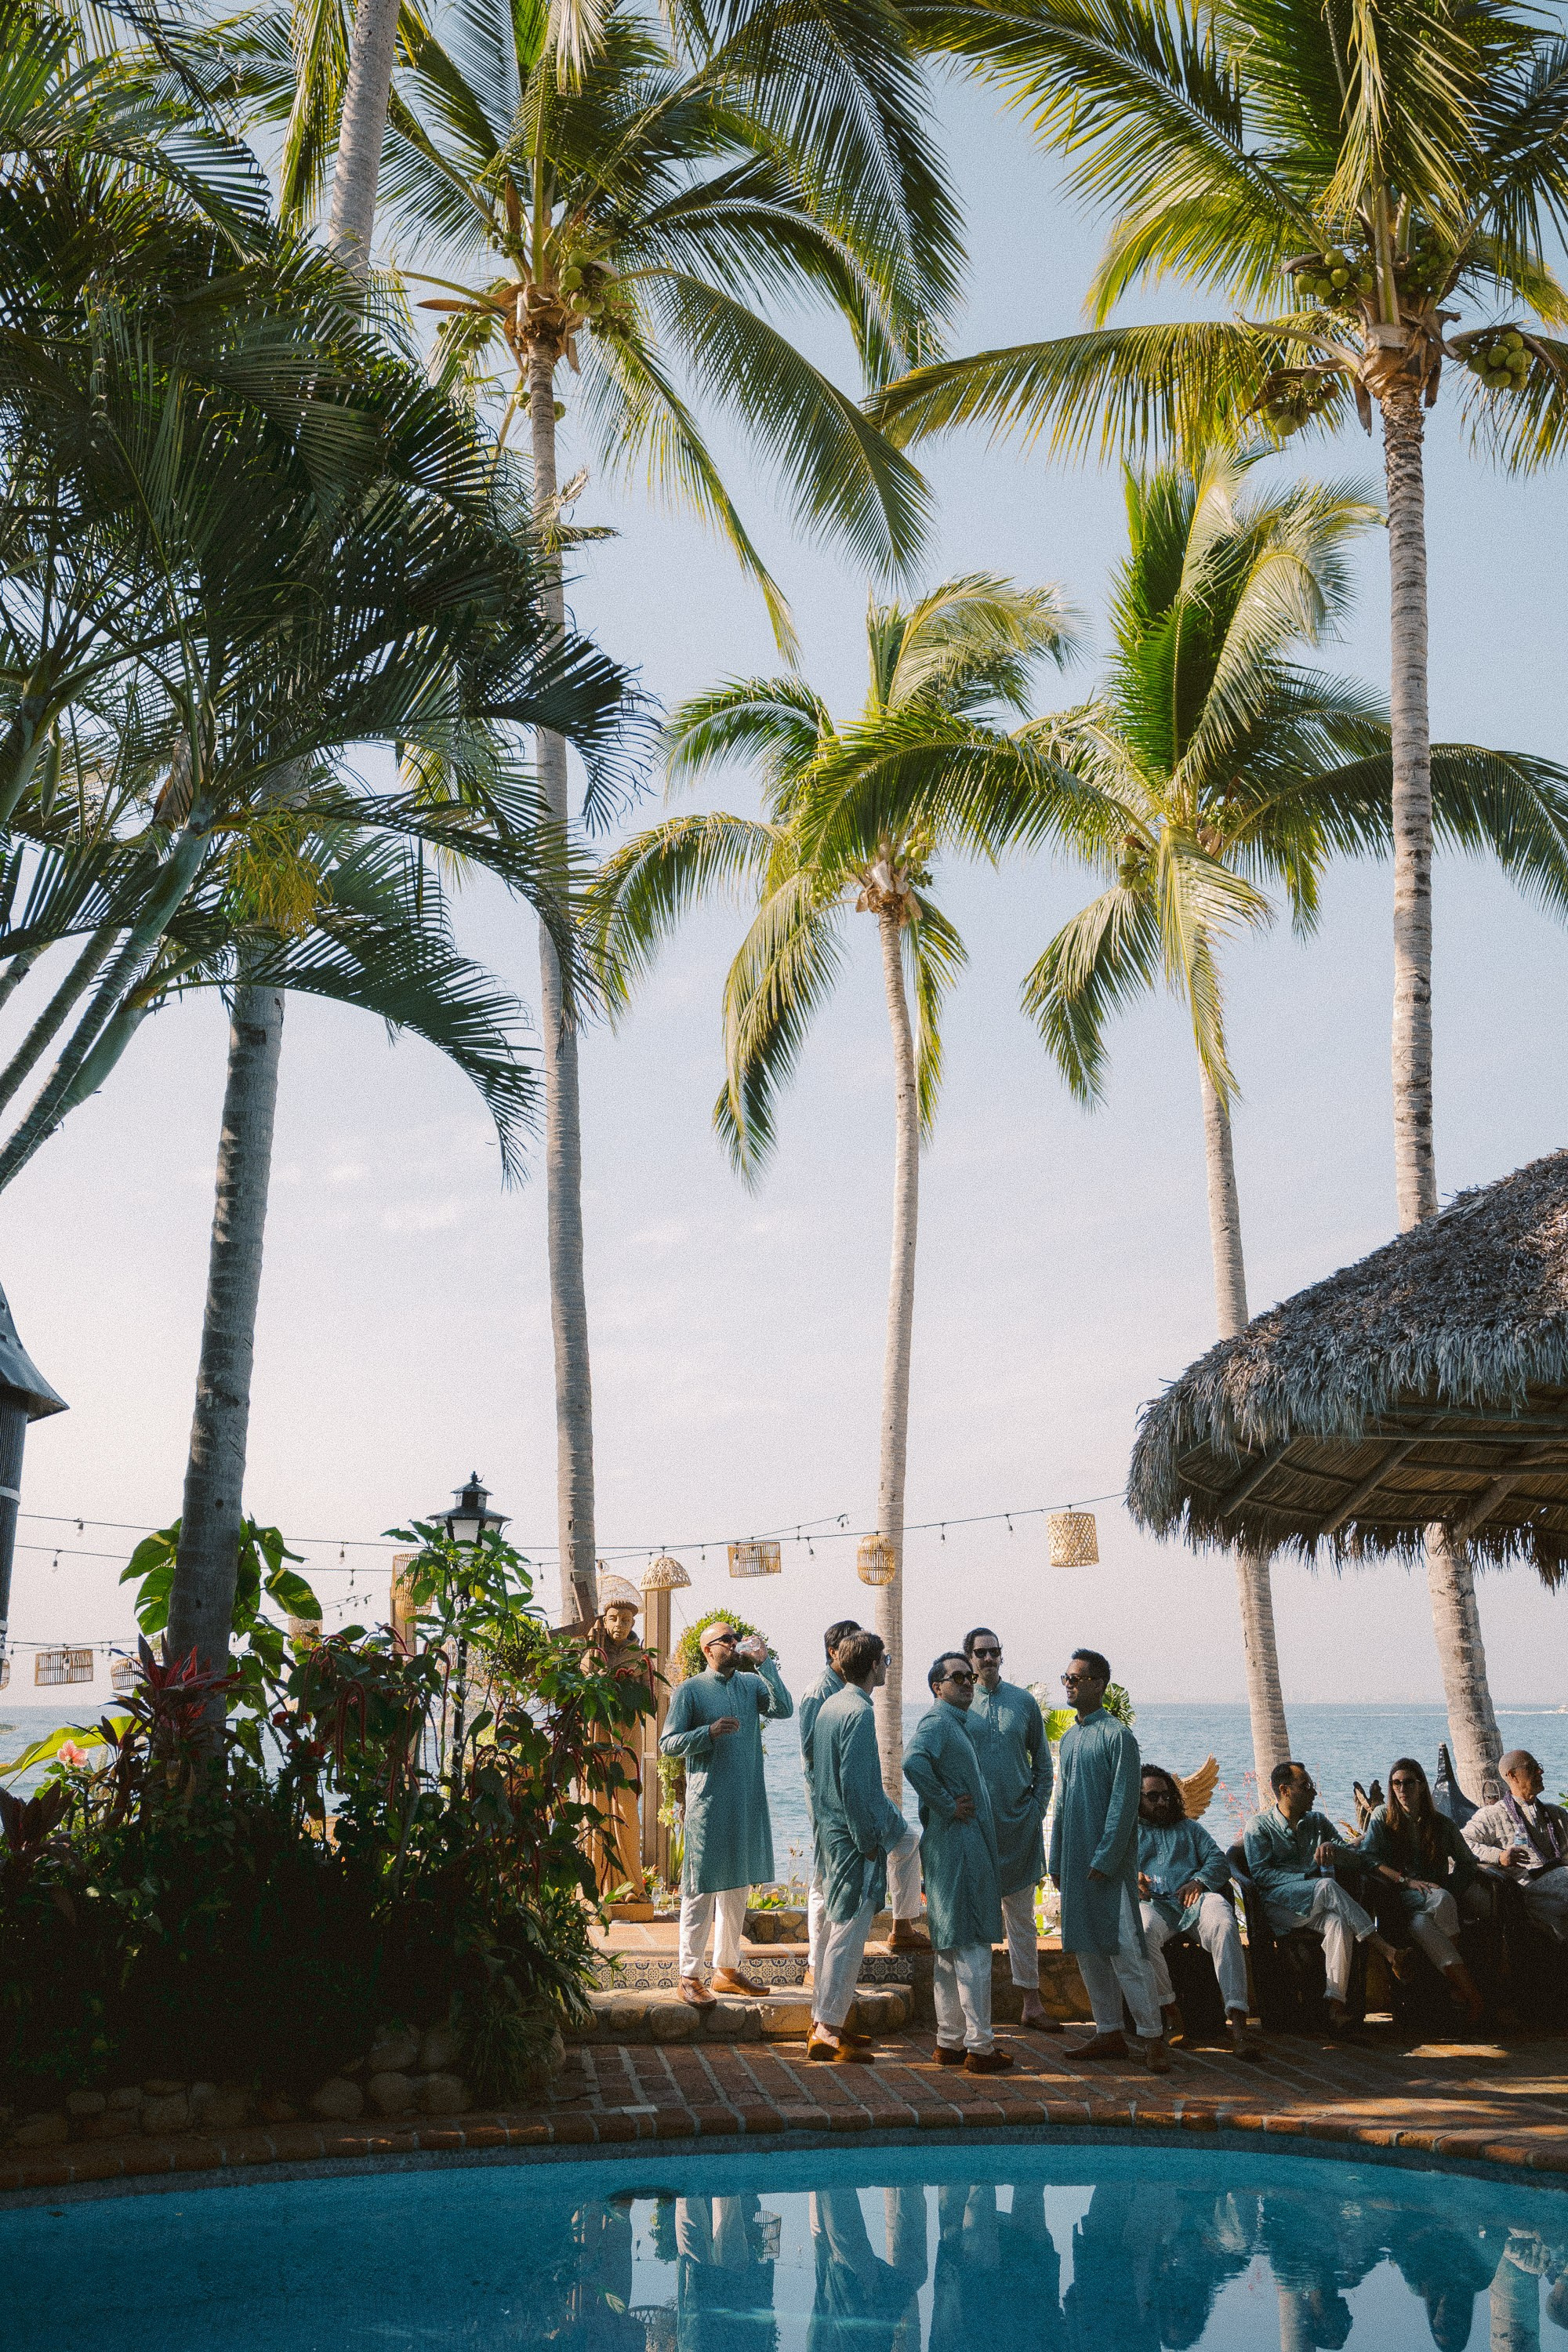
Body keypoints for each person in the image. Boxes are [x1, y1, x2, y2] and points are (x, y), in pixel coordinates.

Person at [659, 1620, 793, 2007]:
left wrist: (765, 1664)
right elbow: (668, 1744)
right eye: (727, 1640)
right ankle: (689, 1975)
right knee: (700, 1889)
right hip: (708, 1803)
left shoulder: (751, 1685)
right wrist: (709, 1733)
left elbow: (783, 1709)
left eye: (737, 1638)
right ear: (708, 1649)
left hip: (746, 1800)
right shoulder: (690, 1691)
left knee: (739, 1886)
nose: (735, 1644)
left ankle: (727, 1970)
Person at [1047, 1647, 1167, 2072]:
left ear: (1099, 1683)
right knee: (1086, 1950)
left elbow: (1123, 1803)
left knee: (1126, 1952)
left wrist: (1108, 1856)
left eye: (1076, 1678)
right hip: (1075, 1864)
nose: (1069, 1684)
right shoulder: (1072, 1738)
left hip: (1107, 1868)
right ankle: (1108, 2031)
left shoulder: (1118, 1736)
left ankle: (1153, 2037)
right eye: (1066, 1678)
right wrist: (1056, 1858)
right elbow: (1061, 1803)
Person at [808, 1629, 920, 2062]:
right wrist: (866, 1840)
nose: (887, 1668)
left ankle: (827, 2021)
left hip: (835, 1829)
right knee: (848, 1930)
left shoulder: (833, 1705)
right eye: (885, 1661)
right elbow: (855, 1786)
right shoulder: (856, 1712)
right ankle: (828, 2029)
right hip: (852, 1836)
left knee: (908, 1842)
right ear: (873, 1665)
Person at [902, 1651, 1013, 2073]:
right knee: (971, 1949)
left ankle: (949, 2041)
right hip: (958, 1846)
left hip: (955, 1846)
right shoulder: (937, 1723)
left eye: (969, 1676)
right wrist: (948, 1805)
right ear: (937, 1687)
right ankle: (980, 2046)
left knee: (949, 1949)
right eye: (957, 1677)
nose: (968, 1682)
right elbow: (913, 1763)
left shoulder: (956, 1724)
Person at [1243, 1760, 1406, 2031]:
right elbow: (1261, 1876)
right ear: (1284, 1790)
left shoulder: (1317, 1822)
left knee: (1339, 1924)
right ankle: (1388, 1951)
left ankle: (1335, 2006)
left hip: (1314, 1905)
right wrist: (1307, 1878)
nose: (1314, 1793)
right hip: (1278, 1907)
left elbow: (1355, 1858)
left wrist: (1334, 1848)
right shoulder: (1259, 1827)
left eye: (1312, 1786)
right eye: (1306, 1786)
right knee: (1326, 1886)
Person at [964, 1625, 1058, 2031]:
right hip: (973, 1830)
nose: (988, 1659)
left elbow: (1044, 1763)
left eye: (994, 1652)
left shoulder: (1022, 1703)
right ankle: (976, 2012)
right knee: (977, 1922)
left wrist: (1036, 1809)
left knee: (1021, 1921)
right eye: (981, 1653)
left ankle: (1031, 2004)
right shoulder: (959, 1702)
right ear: (968, 1658)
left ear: (1002, 1655)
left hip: (1019, 1828)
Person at [1136, 1765, 1261, 2060]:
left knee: (1224, 1921)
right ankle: (1171, 2011)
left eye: (1166, 1796)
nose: (1161, 1802)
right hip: (1153, 1905)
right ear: (1137, 1799)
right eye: (1152, 1797)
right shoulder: (1129, 1833)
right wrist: (1133, 1878)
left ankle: (1238, 2022)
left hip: (1194, 1902)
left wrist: (1199, 1881)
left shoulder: (1189, 1828)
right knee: (1141, 1932)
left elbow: (1218, 1860)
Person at [1359, 1757, 1488, 2024]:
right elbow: (1369, 1859)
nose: (1402, 1789)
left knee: (1422, 1925)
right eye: (1396, 1783)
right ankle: (1470, 1994)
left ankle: (1467, 1993)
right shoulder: (1383, 1816)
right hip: (1398, 1895)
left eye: (1408, 1783)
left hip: (1428, 1903)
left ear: (1421, 1785)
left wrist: (1449, 1886)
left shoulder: (1441, 1823)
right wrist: (1405, 1882)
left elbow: (1467, 1862)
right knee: (1441, 1899)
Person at [799, 1617, 861, 1989]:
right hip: (826, 1801)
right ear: (833, 1652)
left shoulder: (847, 1688)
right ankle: (814, 1964)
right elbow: (811, 1752)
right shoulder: (819, 1692)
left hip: (839, 1801)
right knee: (823, 1876)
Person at [583, 1593, 654, 1900]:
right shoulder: (591, 1654)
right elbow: (580, 1693)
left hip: (626, 1737)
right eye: (613, 1618)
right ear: (603, 1620)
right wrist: (596, 1675)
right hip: (598, 1734)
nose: (619, 1625)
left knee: (626, 1806)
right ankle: (595, 1886)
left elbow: (649, 1701)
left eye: (626, 1620)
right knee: (597, 1802)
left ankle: (630, 1884)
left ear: (633, 1624)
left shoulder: (640, 1658)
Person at [1463, 1749, 1568, 1942]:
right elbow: (1463, 1842)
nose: (1540, 1773)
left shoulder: (1555, 1814)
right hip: (1529, 1887)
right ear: (1512, 1776)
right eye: (1532, 1768)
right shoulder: (1493, 1815)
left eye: (1539, 1768)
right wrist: (1499, 1856)